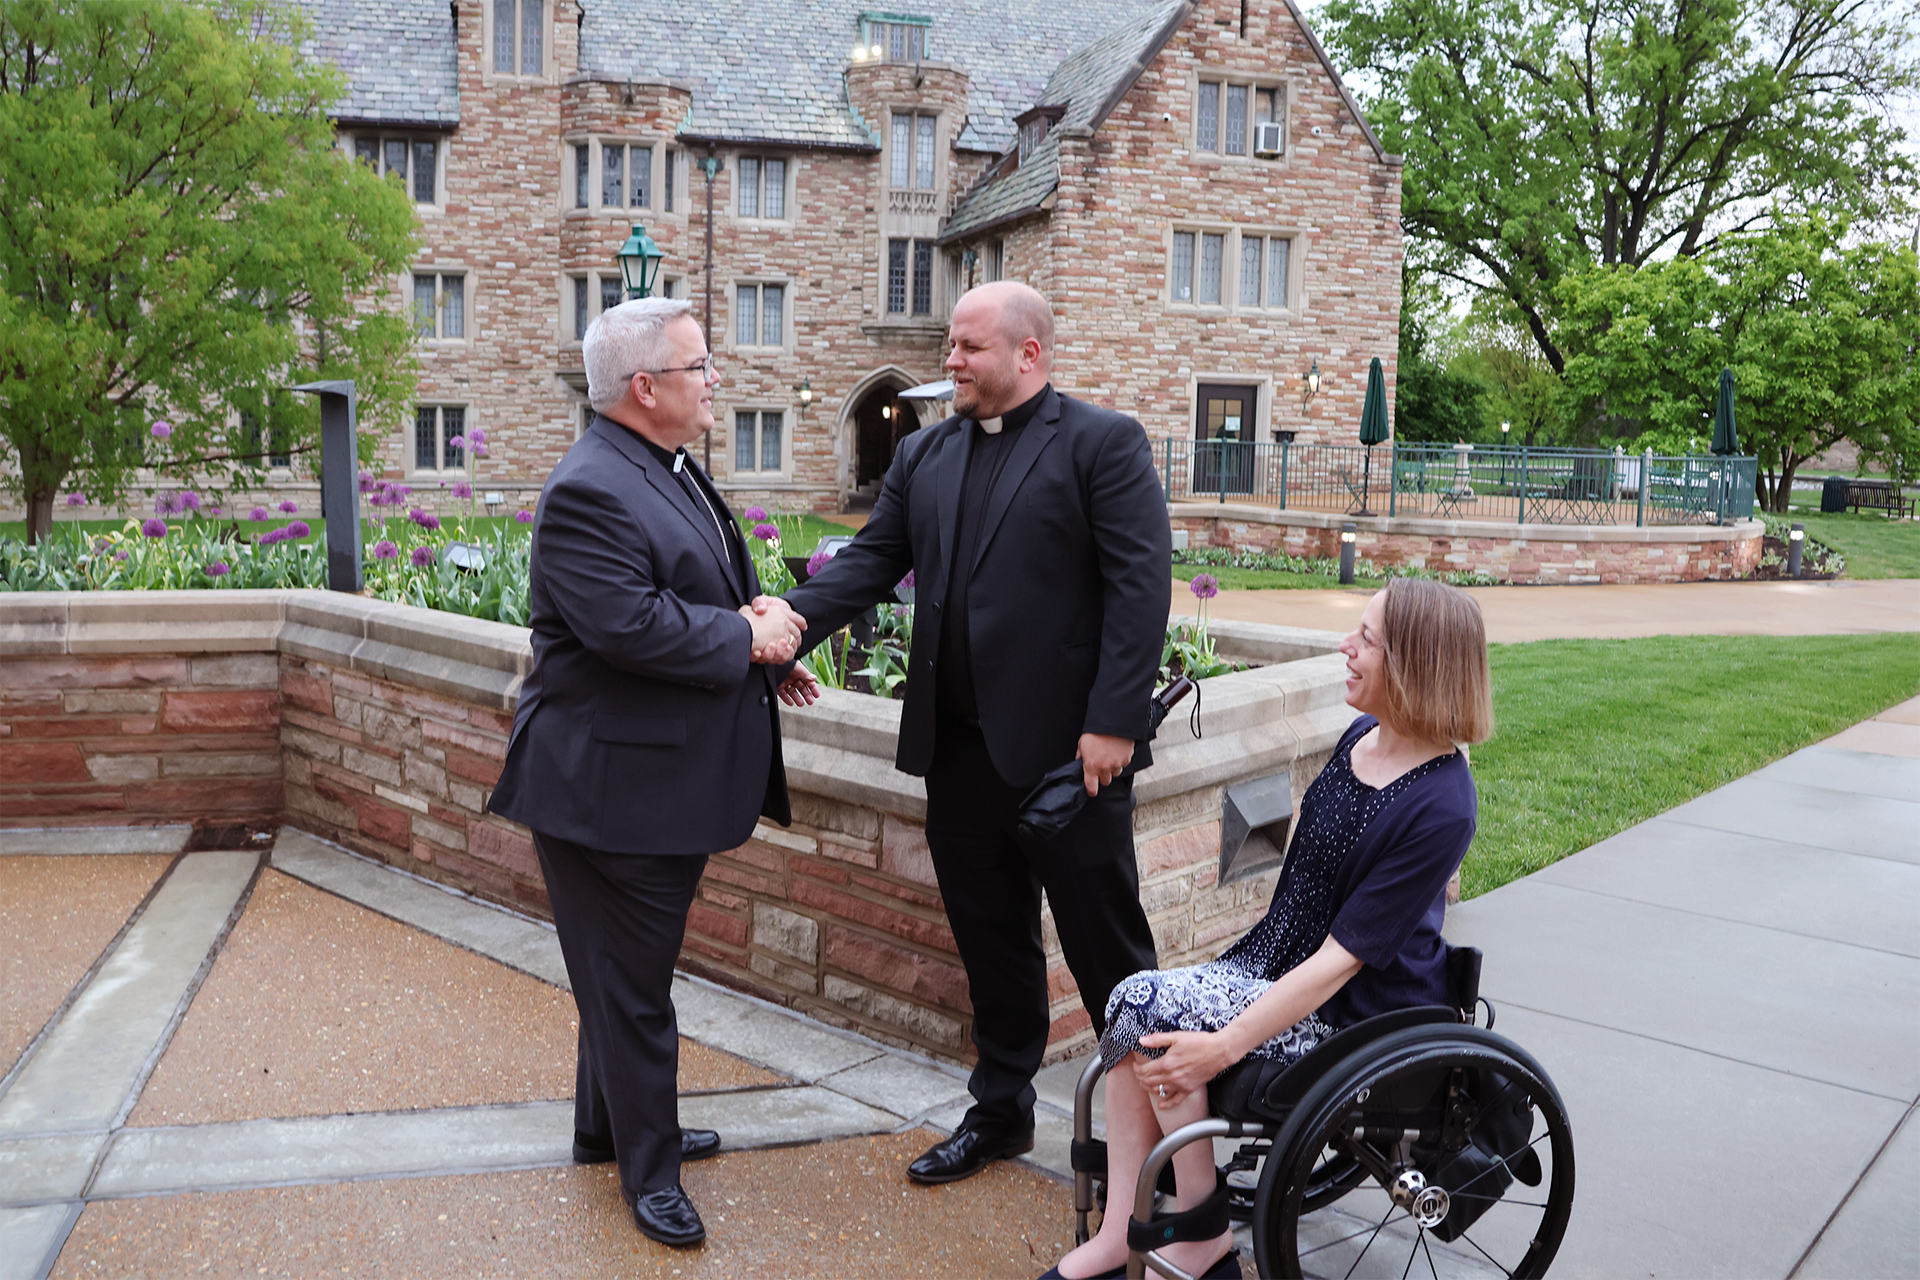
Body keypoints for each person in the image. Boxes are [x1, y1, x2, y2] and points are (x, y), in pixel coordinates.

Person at [773, 281, 1172, 1186]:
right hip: (956, 753)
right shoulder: (927, 452)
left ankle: (1155, 1137)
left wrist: (1113, 722)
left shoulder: (1103, 444)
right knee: (992, 947)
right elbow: (872, 563)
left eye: (968, 346)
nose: (949, 360)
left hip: (1073, 761)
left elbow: (1140, 588)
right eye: (950, 343)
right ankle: (999, 1115)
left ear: (1029, 354)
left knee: (1111, 955)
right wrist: (783, 627)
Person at [1039, 578, 1494, 1280]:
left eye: (1366, 639)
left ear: (1415, 665)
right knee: (1134, 1004)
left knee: (1148, 1009)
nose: (1345, 646)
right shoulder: (1360, 738)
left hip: (1351, 1015)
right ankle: (1119, 1231)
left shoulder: (1442, 804)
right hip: (1274, 963)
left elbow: (1342, 961)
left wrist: (1219, 1048)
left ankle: (1202, 1231)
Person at [487, 297, 808, 1250]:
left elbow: (685, 589)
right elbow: (628, 626)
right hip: (607, 791)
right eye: (699, 366)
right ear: (644, 387)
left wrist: (761, 653)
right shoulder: (589, 487)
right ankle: (651, 1174)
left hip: (645, 782)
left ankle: (608, 1128)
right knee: (632, 988)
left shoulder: (660, 462)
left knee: (619, 972)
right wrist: (746, 639)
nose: (715, 380)